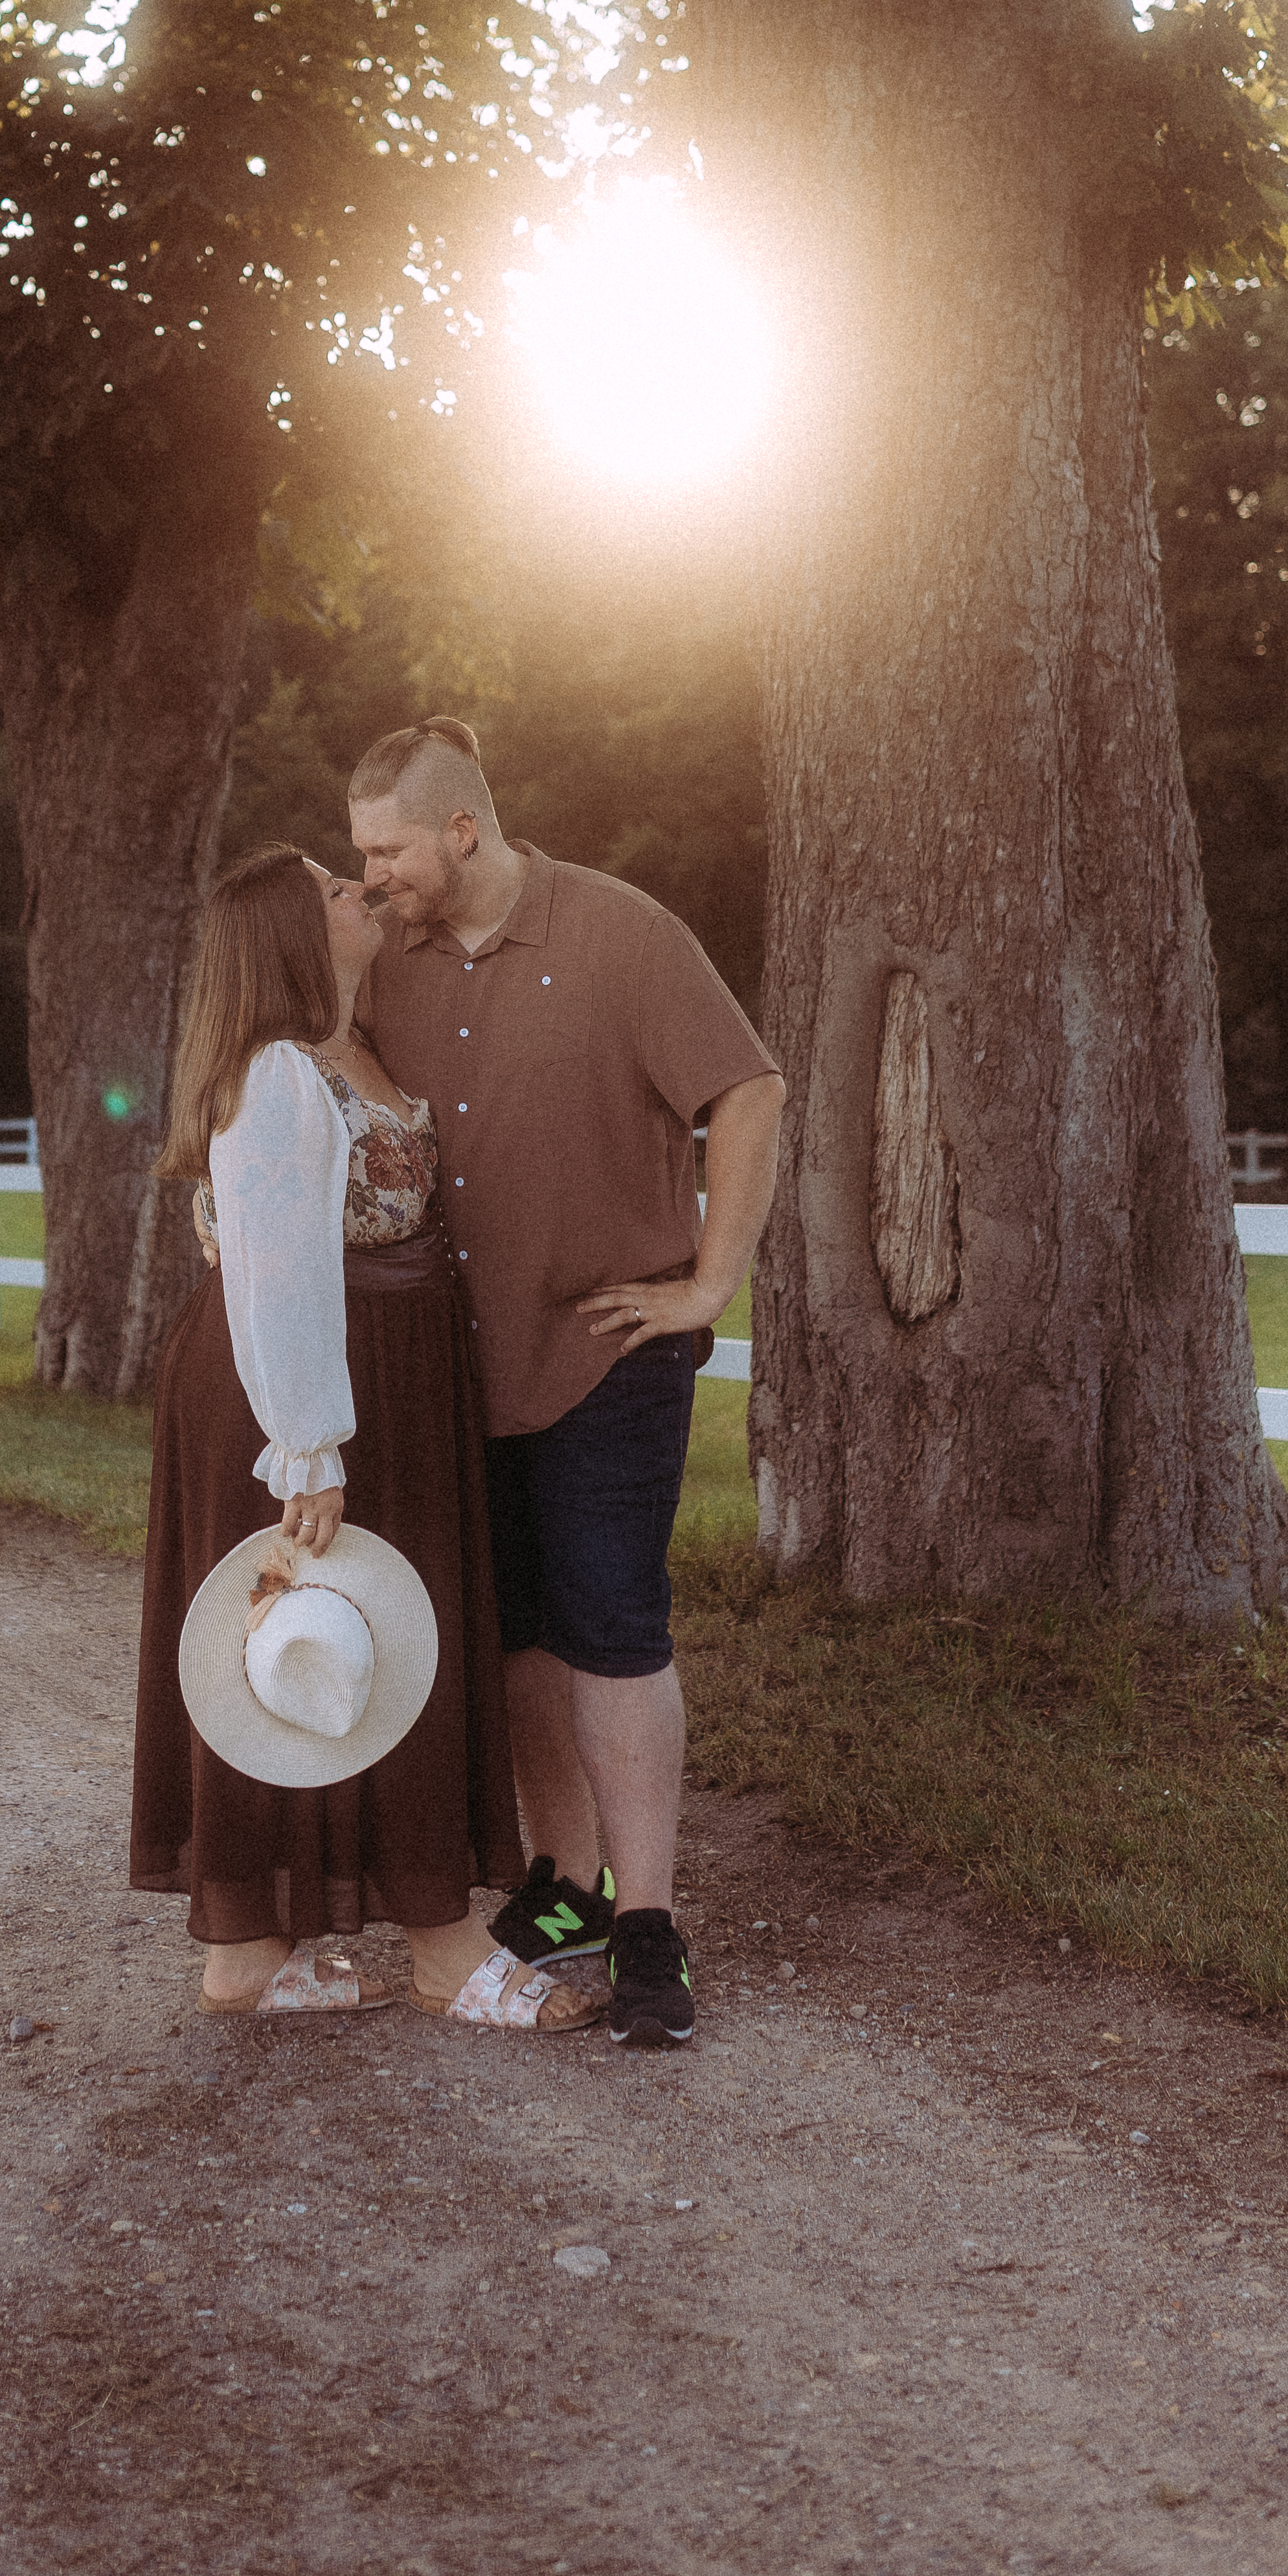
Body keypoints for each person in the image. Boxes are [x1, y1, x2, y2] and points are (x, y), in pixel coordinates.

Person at [352, 719, 784, 2050]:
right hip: (456, 1368)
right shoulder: (388, 964)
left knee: (612, 1629)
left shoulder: (621, 934)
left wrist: (707, 1284)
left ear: (461, 832)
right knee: (518, 1636)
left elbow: (747, 1090)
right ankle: (567, 1888)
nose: (369, 878)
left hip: (607, 1352)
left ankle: (648, 1925)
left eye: (386, 852)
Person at [130, 843, 588, 2027]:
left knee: (341, 1629)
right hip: (314, 1388)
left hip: (371, 1375)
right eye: (336, 889)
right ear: (292, 935)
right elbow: (276, 1268)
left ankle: (254, 1957)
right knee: (363, 1634)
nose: (361, 892)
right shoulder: (277, 1069)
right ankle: (443, 1954)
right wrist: (310, 1448)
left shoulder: (347, 1045)